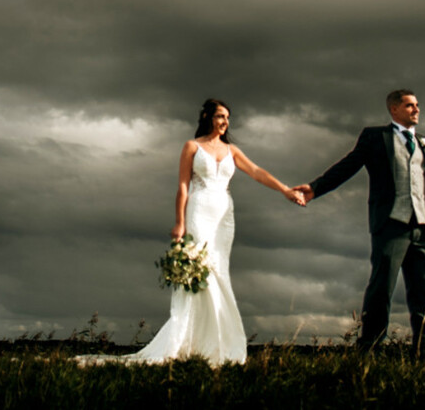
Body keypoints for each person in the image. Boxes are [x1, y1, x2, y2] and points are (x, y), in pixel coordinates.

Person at [85, 98, 305, 366]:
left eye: (228, 118)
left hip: (224, 215)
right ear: (207, 117)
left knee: (220, 271)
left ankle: (219, 343)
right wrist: (179, 222)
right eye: (220, 116)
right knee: (201, 270)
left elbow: (257, 171)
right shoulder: (192, 146)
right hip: (199, 211)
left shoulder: (232, 150)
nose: (225, 122)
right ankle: (189, 342)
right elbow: (183, 186)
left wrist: (285, 190)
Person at [293, 89, 425, 355]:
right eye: (409, 105)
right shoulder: (376, 137)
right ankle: (370, 349)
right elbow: (348, 166)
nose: (416, 109)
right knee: (382, 287)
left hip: (423, 228)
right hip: (391, 225)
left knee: (424, 293)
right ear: (394, 109)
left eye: (417, 105)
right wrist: (315, 188)